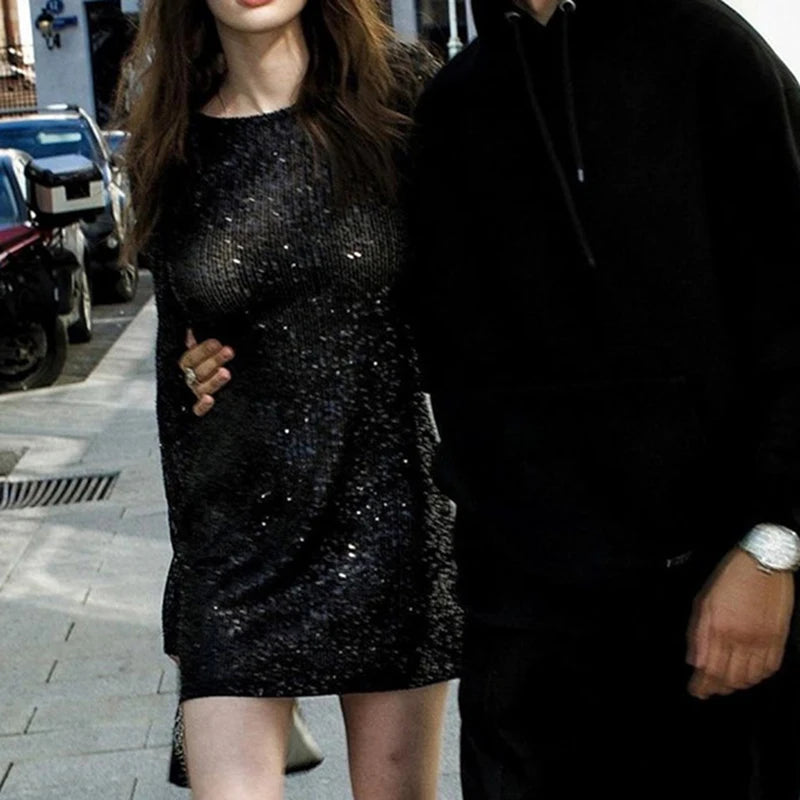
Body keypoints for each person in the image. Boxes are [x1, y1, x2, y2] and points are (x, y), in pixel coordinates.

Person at [407, 0, 800, 798]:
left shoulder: (713, 54)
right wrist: (214, 352)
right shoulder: (454, 104)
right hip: (527, 639)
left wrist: (775, 540)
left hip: (716, 615)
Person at [118, 1, 461, 797]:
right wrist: (187, 600)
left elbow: (474, 293)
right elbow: (178, 381)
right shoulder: (172, 139)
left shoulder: (399, 97)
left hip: (387, 527)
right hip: (235, 554)